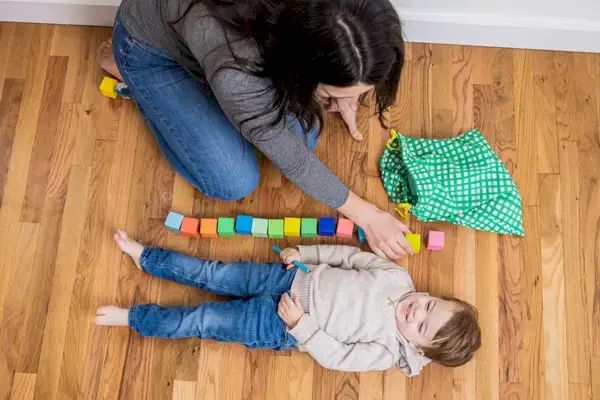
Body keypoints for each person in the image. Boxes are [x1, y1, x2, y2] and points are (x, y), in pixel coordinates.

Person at [97, 0, 414, 260]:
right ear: (301, 66)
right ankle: (123, 65)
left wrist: (346, 87)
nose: (349, 101)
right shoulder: (238, 70)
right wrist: (367, 216)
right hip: (151, 50)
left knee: (306, 133)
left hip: (210, 46)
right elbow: (295, 161)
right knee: (234, 181)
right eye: (333, 92)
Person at [96, 230, 482, 374]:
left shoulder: (385, 351)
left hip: (279, 324)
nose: (417, 311)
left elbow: (336, 357)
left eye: (420, 326)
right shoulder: (397, 278)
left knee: (203, 319)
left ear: (417, 346)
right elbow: (347, 258)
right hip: (287, 276)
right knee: (213, 272)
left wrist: (301, 325)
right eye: (429, 304)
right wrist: (308, 254)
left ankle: (134, 318)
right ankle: (148, 257)